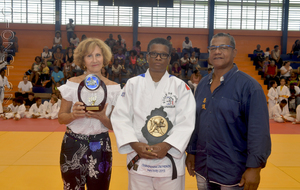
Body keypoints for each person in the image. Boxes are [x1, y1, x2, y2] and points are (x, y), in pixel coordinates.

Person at [186, 33, 271, 190]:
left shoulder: (249, 87)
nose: (217, 51)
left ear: (234, 52)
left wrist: (255, 167)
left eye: (224, 47)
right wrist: (191, 152)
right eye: (213, 48)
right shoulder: (203, 84)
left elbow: (259, 132)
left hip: (233, 173)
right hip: (203, 167)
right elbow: (196, 122)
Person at [111, 38, 196, 190]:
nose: (158, 57)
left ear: (169, 58)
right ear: (147, 56)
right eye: (154, 54)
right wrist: (135, 144)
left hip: (168, 159)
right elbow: (120, 117)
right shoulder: (132, 84)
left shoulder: (181, 87)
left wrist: (167, 145)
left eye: (163, 55)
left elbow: (186, 122)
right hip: (139, 157)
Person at [57, 38, 121, 190]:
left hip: (101, 145)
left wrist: (103, 118)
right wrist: (73, 115)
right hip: (73, 144)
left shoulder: (114, 88)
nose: (94, 60)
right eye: (89, 56)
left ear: (104, 58)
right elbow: (61, 118)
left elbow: (116, 125)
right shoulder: (72, 84)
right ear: (82, 59)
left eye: (98, 55)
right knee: (72, 187)